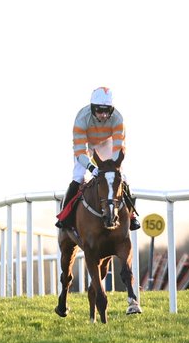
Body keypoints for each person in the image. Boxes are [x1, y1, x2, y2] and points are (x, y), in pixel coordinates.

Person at [55, 86, 141, 233]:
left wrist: (113, 167)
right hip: (85, 145)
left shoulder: (118, 119)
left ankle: (131, 216)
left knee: (122, 177)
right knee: (79, 177)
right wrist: (92, 168)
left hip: (106, 143)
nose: (104, 115)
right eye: (100, 110)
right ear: (92, 108)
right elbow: (80, 151)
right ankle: (65, 216)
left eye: (107, 111)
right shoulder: (82, 118)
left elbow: (119, 148)